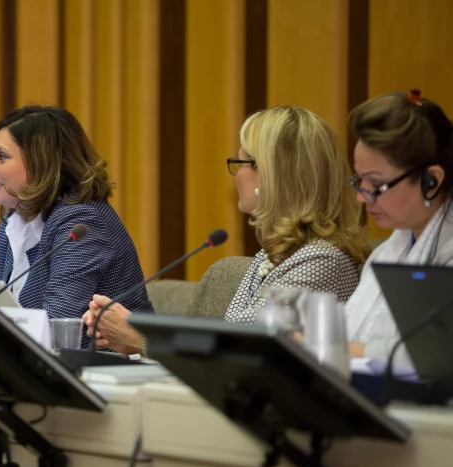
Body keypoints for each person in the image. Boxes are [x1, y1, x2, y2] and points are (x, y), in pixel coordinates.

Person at [84, 105, 370, 354]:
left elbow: (243, 349)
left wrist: (139, 337)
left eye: (240, 162)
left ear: (273, 174)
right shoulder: (272, 255)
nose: (235, 176)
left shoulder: (323, 261)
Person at [0, 104, 154, 348]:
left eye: (2, 156)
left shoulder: (82, 223)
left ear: (41, 163)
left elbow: (58, 327)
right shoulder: (14, 220)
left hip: (114, 372)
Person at [346, 89, 453, 367]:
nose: (362, 196)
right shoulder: (387, 252)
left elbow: (428, 357)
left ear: (432, 180)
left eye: (376, 184)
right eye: (360, 180)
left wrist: (327, 347)